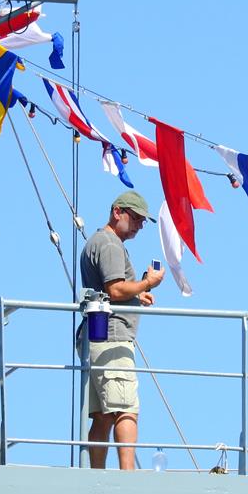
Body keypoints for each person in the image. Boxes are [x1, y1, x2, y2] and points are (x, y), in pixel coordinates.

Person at [79, 190, 165, 470]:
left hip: (96, 335)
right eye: (136, 218)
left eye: (142, 221)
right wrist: (147, 283)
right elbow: (115, 289)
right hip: (113, 337)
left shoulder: (97, 241)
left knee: (102, 415)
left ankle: (97, 474)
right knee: (126, 409)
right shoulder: (110, 244)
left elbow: (110, 290)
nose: (140, 225)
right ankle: (127, 476)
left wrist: (137, 293)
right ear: (118, 212)